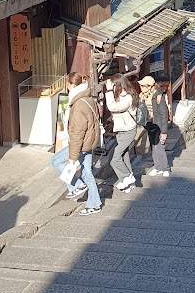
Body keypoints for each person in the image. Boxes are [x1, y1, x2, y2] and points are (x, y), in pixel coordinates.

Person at [51, 73, 103, 216]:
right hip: (88, 142)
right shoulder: (86, 98)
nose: (66, 88)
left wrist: (73, 157)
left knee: (55, 161)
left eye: (67, 85)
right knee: (88, 173)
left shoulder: (78, 104)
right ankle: (95, 204)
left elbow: (77, 133)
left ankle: (76, 185)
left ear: (72, 85)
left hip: (81, 143)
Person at [105, 75, 138, 191]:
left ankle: (127, 177)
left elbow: (112, 107)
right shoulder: (121, 96)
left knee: (115, 159)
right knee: (124, 156)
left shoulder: (128, 97)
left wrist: (109, 91)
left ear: (118, 85)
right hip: (122, 130)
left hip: (128, 131)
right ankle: (128, 183)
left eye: (113, 85)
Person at [140, 74, 171, 178]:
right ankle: (157, 167)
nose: (142, 88)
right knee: (153, 145)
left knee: (160, 147)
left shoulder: (158, 96)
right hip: (149, 124)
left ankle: (165, 168)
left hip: (159, 125)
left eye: (144, 86)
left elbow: (164, 114)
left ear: (150, 86)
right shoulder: (142, 96)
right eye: (141, 86)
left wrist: (164, 131)